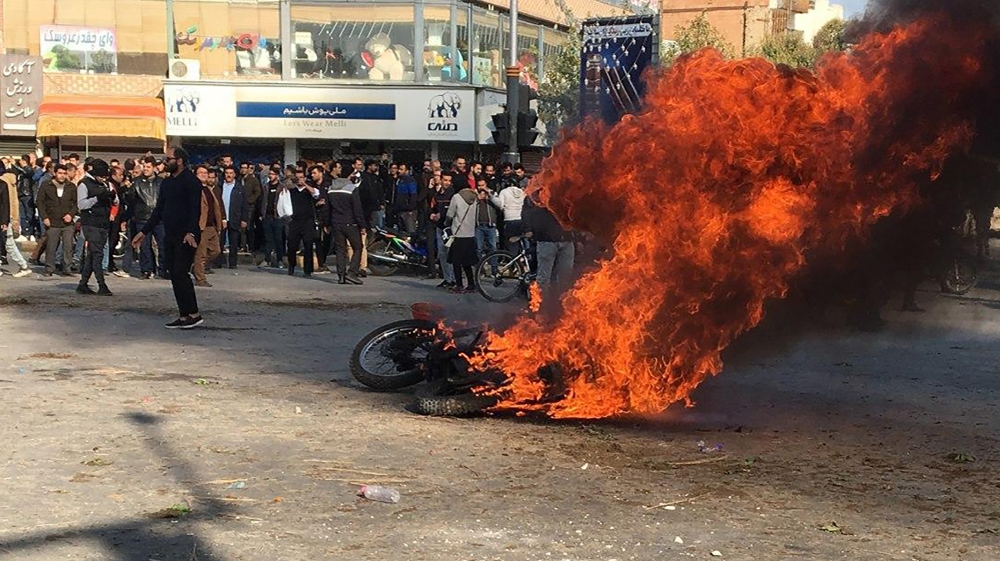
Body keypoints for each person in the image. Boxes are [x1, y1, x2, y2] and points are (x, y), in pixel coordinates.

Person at [132, 148, 203, 329]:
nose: (165, 162)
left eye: (168, 159)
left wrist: (191, 232)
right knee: (173, 274)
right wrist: (143, 232)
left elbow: (196, 210)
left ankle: (194, 313)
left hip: (186, 235)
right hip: (170, 234)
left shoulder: (191, 181)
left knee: (181, 273)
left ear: (179, 161)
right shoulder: (167, 183)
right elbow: (159, 211)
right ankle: (184, 314)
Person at [76, 159, 118, 296]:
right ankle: (102, 284)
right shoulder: (83, 184)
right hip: (90, 223)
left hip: (103, 223)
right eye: (102, 176)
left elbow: (116, 201)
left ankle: (82, 284)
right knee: (97, 254)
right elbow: (81, 205)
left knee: (92, 255)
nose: (104, 179)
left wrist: (113, 196)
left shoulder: (106, 184)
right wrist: (97, 198)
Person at [523, 195, 575, 296]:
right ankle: (541, 305)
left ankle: (561, 305)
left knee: (565, 277)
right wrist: (528, 229)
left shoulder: (568, 191)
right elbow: (527, 213)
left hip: (566, 241)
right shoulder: (536, 193)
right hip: (546, 241)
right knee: (544, 277)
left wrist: (577, 237)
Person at [37, 164, 77, 277]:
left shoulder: (71, 186)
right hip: (52, 220)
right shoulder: (46, 185)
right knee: (51, 245)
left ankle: (67, 269)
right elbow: (40, 202)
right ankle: (49, 268)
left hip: (67, 222)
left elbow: (75, 203)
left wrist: (71, 214)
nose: (62, 176)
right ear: (55, 173)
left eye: (64, 173)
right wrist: (44, 217)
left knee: (68, 246)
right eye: (60, 173)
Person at [440, 177, 479, 293]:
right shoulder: (474, 198)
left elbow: (450, 214)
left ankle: (459, 284)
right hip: (470, 233)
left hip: (458, 233)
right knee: (467, 262)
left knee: (456, 261)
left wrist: (446, 223)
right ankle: (471, 284)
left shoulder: (456, 197)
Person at [326, 174, 366, 284]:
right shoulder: (352, 188)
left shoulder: (330, 189)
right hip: (350, 222)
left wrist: (326, 223)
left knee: (340, 249)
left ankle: (341, 276)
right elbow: (357, 209)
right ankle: (352, 273)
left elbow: (327, 208)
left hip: (336, 222)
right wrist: (362, 225)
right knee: (358, 247)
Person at [130, 157, 164, 279]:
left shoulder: (161, 182)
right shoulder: (136, 182)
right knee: (144, 246)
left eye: (148, 167)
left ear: (154, 168)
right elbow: (131, 200)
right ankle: (146, 270)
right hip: (142, 218)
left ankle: (163, 269)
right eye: (144, 167)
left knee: (162, 244)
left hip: (159, 218)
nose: (145, 169)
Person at [286, 168, 321, 277]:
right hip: (295, 221)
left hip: (307, 221)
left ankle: (308, 269)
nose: (299, 180)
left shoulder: (309, 190)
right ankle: (291, 265)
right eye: (297, 178)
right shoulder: (291, 191)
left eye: (301, 177)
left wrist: (305, 184)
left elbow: (316, 194)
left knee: (308, 245)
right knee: (292, 245)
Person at [193, 165, 223, 287]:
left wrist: (219, 224)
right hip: (201, 226)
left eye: (205, 172)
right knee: (201, 254)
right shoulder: (194, 189)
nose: (204, 175)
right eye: (201, 173)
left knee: (216, 251)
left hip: (212, 226)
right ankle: (200, 278)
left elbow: (216, 207)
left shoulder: (209, 189)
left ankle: (196, 268)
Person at [217, 166, 249, 270]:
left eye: (231, 173)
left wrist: (244, 219)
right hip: (222, 218)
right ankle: (219, 262)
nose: (229, 175)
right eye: (227, 173)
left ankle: (232, 263)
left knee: (234, 242)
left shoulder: (240, 188)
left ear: (234, 174)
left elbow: (245, 204)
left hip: (235, 218)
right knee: (220, 241)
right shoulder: (220, 186)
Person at [431, 173, 457, 288]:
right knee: (442, 254)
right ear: (441, 180)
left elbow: (454, 211)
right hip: (440, 228)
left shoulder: (453, 195)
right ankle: (447, 279)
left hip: (450, 228)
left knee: (451, 254)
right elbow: (432, 208)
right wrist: (432, 215)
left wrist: (440, 215)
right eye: (445, 180)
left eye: (449, 180)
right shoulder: (436, 195)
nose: (446, 182)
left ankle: (454, 280)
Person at [261, 166, 288, 268]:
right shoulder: (265, 187)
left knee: (279, 239)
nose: (270, 176)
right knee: (268, 239)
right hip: (267, 216)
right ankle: (267, 259)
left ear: (277, 176)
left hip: (278, 216)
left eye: (272, 174)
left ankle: (279, 259)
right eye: (269, 174)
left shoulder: (282, 187)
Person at [492, 173, 525, 251]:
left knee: (510, 242)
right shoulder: (522, 192)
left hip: (509, 219)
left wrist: (492, 198)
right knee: (520, 240)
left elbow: (500, 205)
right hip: (520, 218)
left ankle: (511, 259)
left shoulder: (504, 192)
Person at [473, 177, 499, 260]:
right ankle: (479, 269)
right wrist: (477, 198)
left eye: (483, 185)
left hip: (490, 226)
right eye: (479, 186)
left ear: (486, 185)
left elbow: (499, 205)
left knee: (493, 248)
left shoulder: (492, 193)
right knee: (478, 248)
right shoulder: (474, 194)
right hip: (478, 226)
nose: (481, 187)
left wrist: (489, 195)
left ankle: (494, 270)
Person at [394, 163, 419, 234]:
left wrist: (410, 208)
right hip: (400, 210)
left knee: (410, 231)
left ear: (407, 171)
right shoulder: (399, 180)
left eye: (401, 169)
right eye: (399, 169)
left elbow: (413, 195)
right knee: (401, 232)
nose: (399, 171)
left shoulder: (411, 181)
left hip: (408, 212)